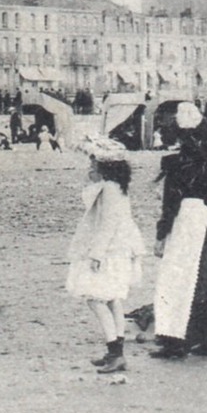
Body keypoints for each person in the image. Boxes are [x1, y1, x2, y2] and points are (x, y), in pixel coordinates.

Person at [151, 102, 207, 357]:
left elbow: (170, 202)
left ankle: (175, 339)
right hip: (205, 217)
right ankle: (203, 338)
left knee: (176, 280)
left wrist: (161, 234)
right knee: (202, 279)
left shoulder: (177, 163)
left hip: (185, 219)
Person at [67, 138, 147, 374]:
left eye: (93, 163)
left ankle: (115, 351)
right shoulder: (116, 186)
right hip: (120, 248)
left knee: (95, 298)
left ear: (104, 166)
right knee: (112, 299)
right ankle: (116, 350)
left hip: (110, 250)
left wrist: (96, 253)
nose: (90, 167)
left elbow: (107, 224)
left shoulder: (109, 189)